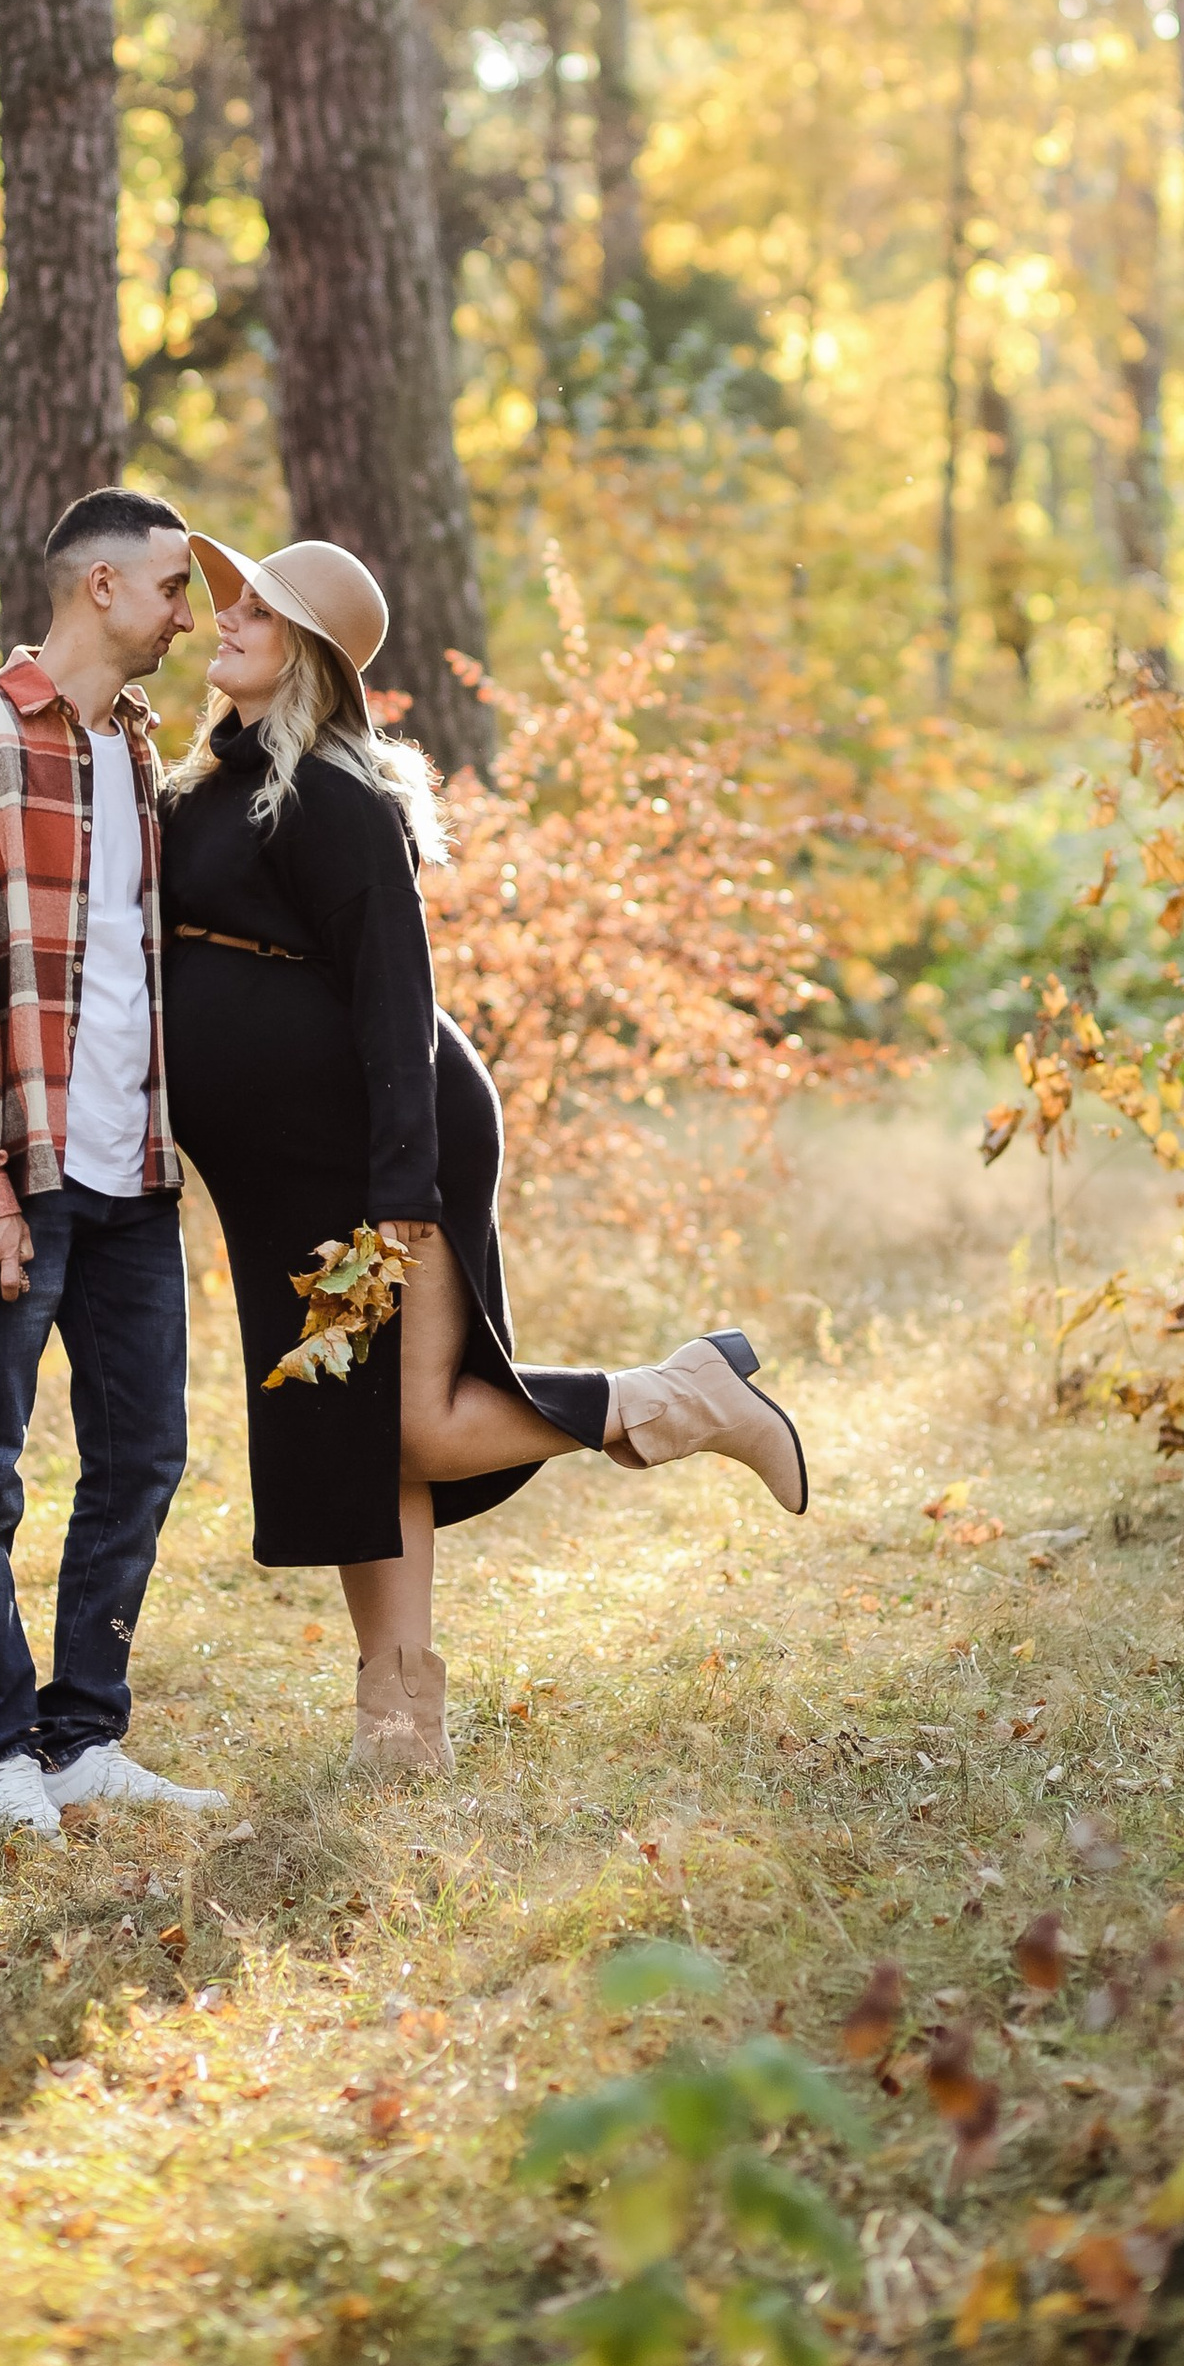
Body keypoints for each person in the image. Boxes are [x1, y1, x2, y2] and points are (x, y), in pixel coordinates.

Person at [159, 531, 809, 1775]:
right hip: (276, 1174)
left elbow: (395, 995)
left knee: (416, 1427)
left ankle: (677, 1399)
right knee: (350, 1434)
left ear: (306, 654)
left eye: (256, 607)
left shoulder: (333, 798)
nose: (224, 616)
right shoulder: (199, 789)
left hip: (377, 1147)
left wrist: (404, 1180)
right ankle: (398, 1735)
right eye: (228, 598)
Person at [0, 484, 229, 1840]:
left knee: (142, 1452)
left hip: (132, 1175)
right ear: (99, 587)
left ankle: (84, 1733)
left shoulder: (143, 755)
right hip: (17, 1176)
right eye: (171, 589)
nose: (186, 616)